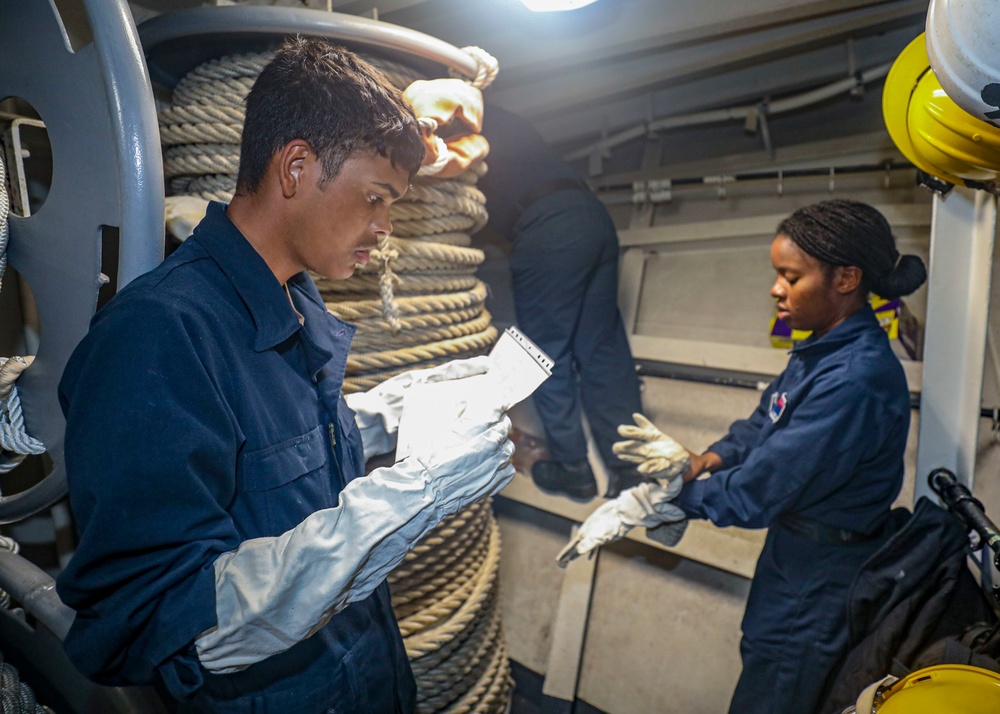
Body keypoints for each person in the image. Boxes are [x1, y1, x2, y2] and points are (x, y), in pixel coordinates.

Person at [54, 38, 515, 712]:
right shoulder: (156, 335)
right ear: (296, 166)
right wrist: (414, 497)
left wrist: (389, 413)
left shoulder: (294, 301)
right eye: (375, 197)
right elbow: (157, 620)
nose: (385, 226)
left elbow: (271, 460)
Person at [613, 199, 927, 713]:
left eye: (790, 276)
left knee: (775, 693)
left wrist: (671, 497)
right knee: (765, 667)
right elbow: (765, 422)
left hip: (819, 577)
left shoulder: (855, 379)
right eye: (777, 274)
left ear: (846, 278)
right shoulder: (822, 350)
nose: (776, 288)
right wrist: (703, 460)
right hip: (794, 557)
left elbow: (759, 491)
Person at [477, 104, 644, 500]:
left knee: (544, 354)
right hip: (590, 216)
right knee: (603, 349)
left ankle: (573, 466)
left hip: (546, 225)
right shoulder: (504, 119)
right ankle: (629, 468)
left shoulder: (458, 123)